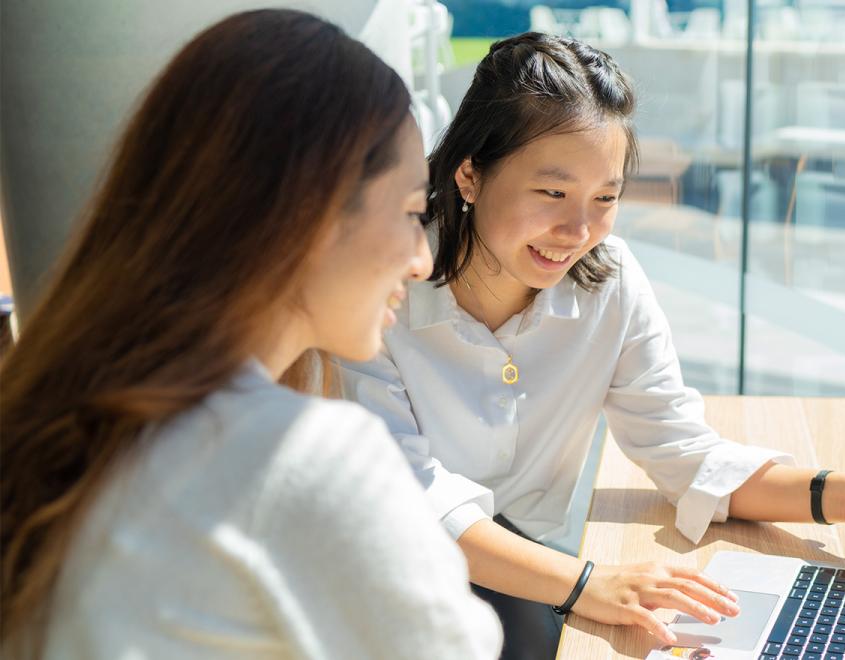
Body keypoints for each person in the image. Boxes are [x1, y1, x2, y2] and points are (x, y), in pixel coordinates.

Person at [339, 31, 845, 660]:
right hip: (382, 584)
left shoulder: (609, 280)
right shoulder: (381, 289)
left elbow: (684, 453)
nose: (578, 230)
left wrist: (844, 497)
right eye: (553, 193)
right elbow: (407, 500)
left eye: (605, 198)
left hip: (534, 577)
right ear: (470, 174)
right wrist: (588, 585)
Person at [0, 10, 500, 659]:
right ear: (308, 212)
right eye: (410, 211)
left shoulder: (56, 420)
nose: (422, 260)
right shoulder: (304, 457)